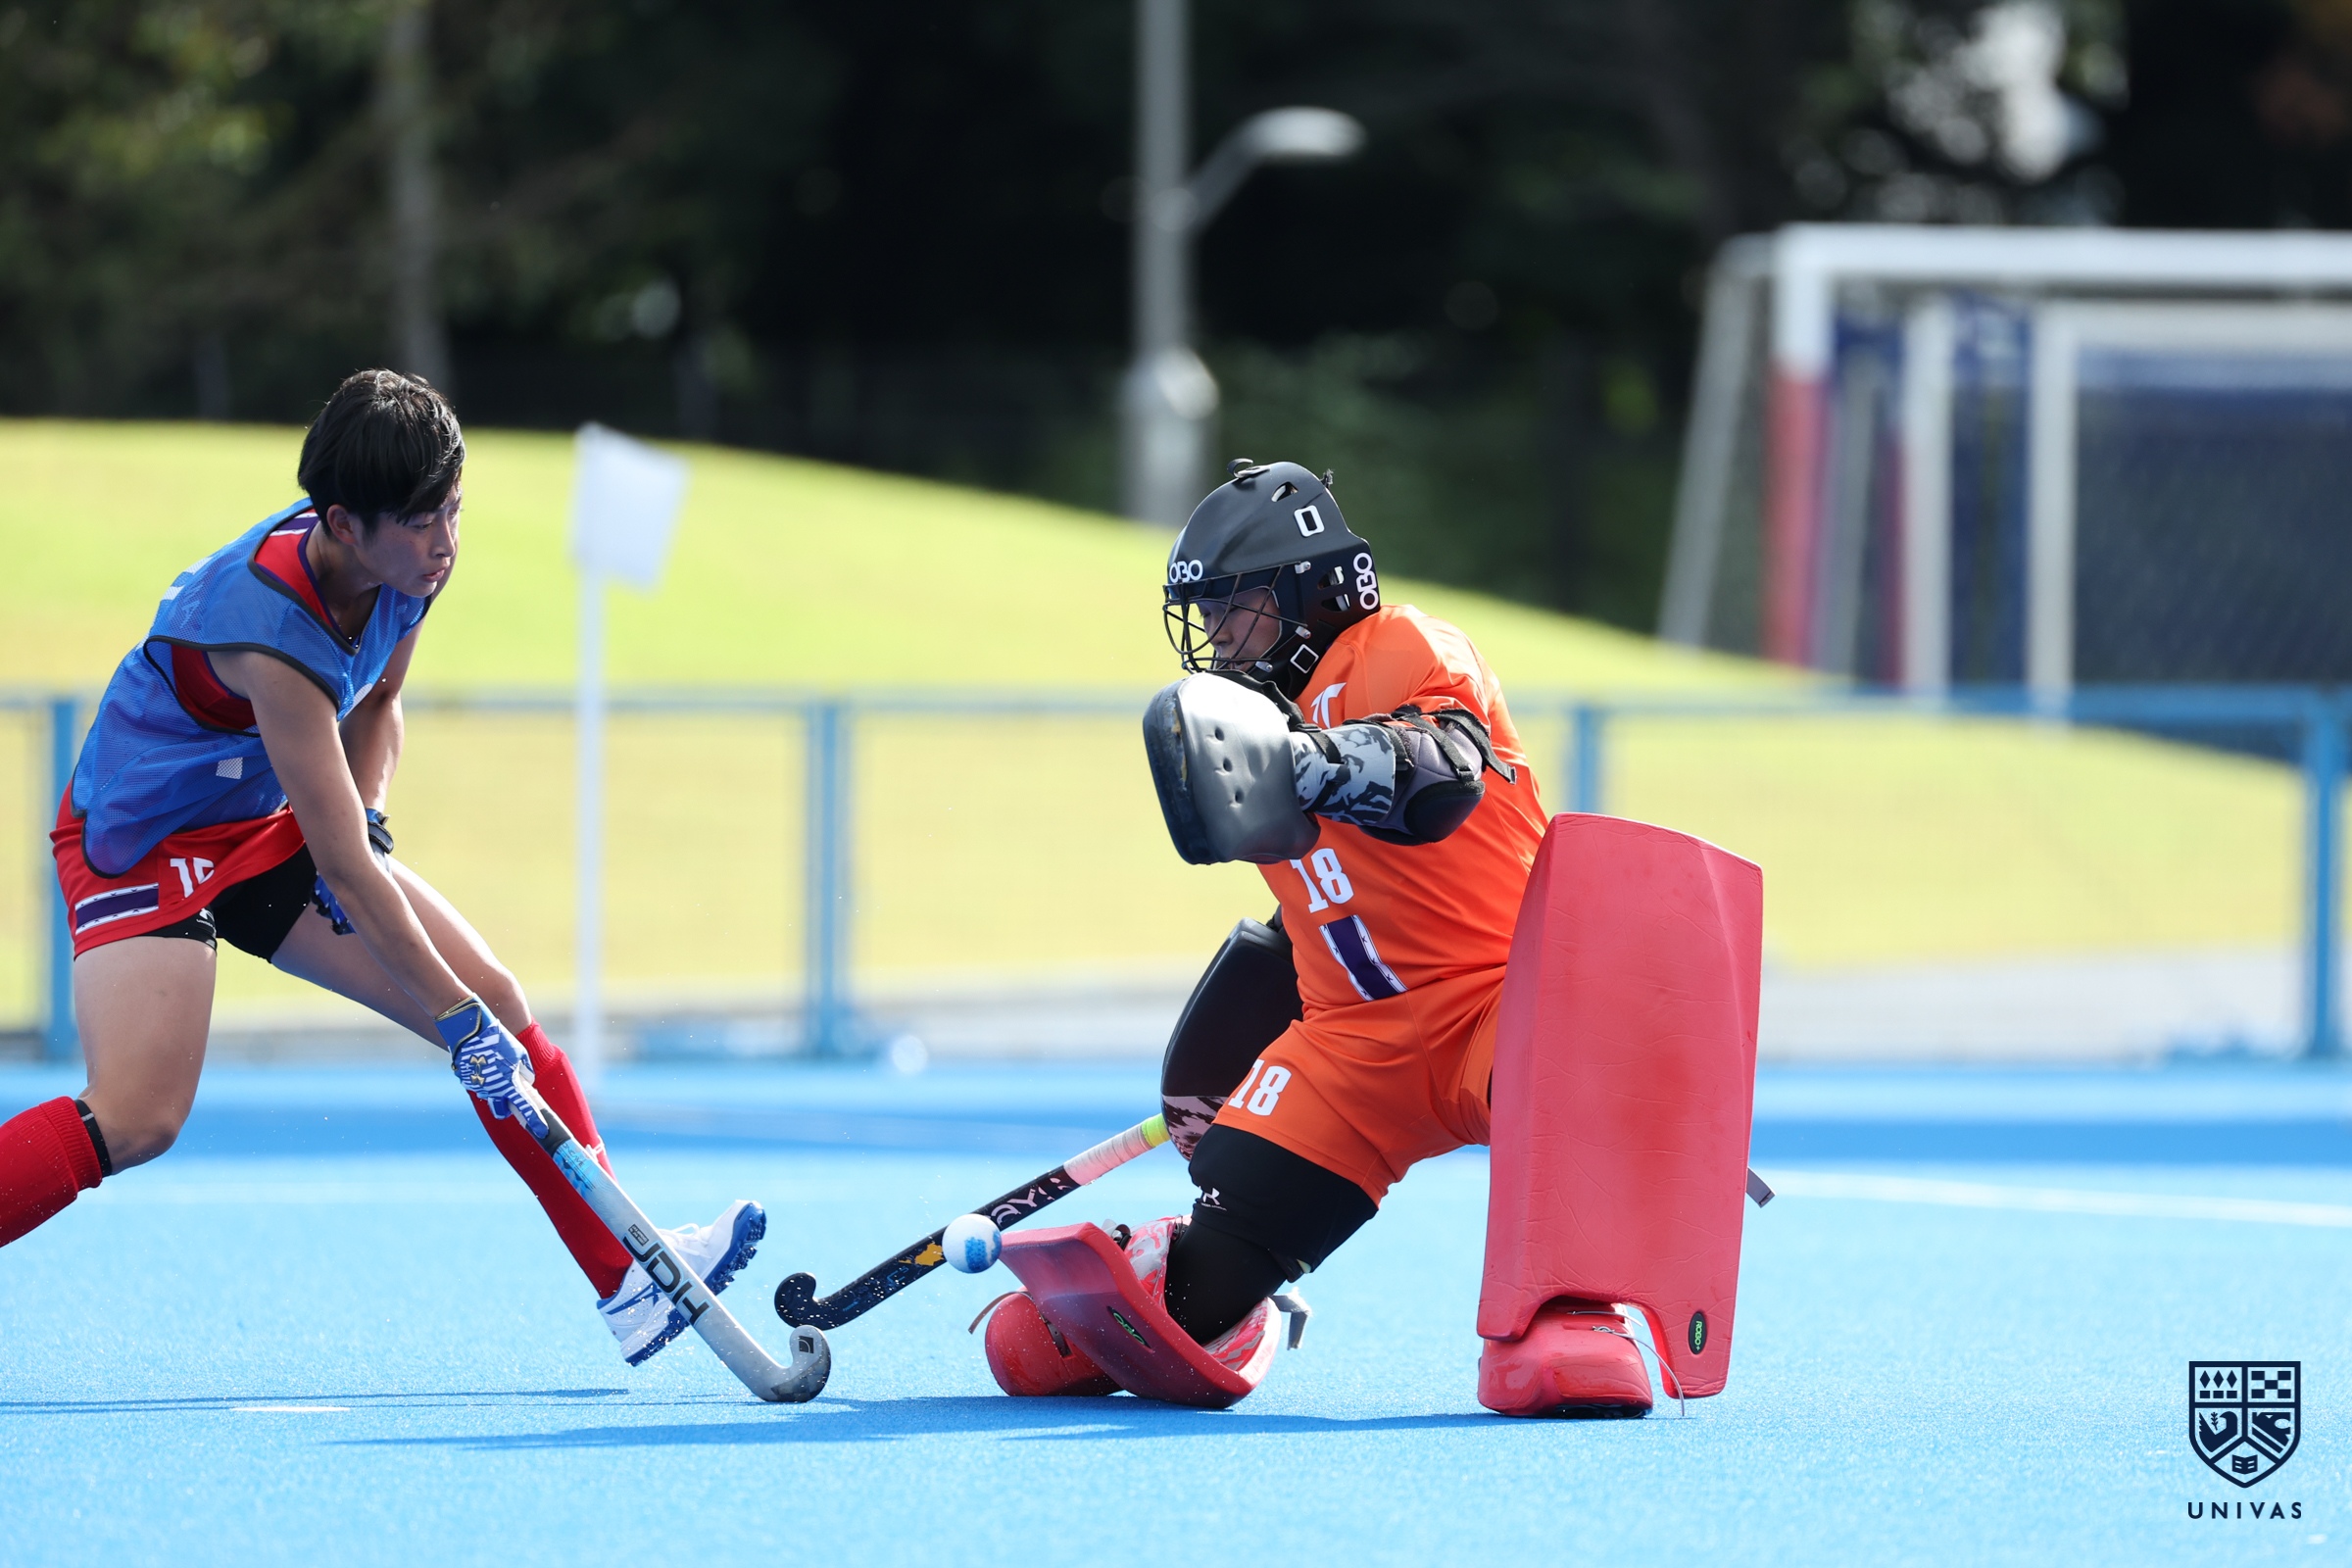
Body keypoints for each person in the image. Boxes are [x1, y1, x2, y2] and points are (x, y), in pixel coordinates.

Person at [0, 369, 761, 1366]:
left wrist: (370, 810)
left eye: (454, 509)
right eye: (420, 522)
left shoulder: (409, 568)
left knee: (498, 1002)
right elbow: (348, 871)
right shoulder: (268, 629)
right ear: (342, 526)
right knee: (140, 1116)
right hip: (142, 840)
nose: (445, 541)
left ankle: (628, 1279)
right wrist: (452, 1020)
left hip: (263, 817)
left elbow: (379, 704)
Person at [976, 460, 1658, 1412]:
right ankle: (1187, 1285)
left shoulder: (1404, 645)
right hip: (1355, 1047)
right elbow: (1318, 910)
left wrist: (1305, 761)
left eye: (1239, 606)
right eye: (1206, 613)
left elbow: (1442, 773)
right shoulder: (1247, 721)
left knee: (1567, 1070)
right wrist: (1229, 1052)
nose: (1219, 635)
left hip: (1502, 1005)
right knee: (1103, 1323)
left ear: (1315, 593)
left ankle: (1575, 1308)